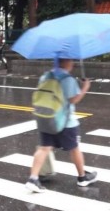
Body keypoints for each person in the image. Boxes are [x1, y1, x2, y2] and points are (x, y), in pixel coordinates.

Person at [25, 58, 97, 193]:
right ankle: (82, 178)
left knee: (44, 148)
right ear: (65, 62)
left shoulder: (45, 76)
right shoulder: (68, 80)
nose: (73, 63)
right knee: (74, 148)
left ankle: (33, 179)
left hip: (46, 118)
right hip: (65, 122)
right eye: (70, 61)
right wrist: (85, 87)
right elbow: (73, 100)